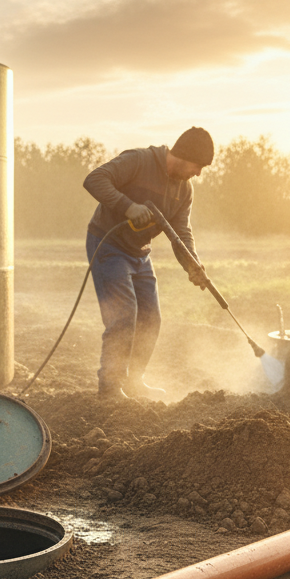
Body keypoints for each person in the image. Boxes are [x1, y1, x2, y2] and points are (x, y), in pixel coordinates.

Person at [83, 126, 215, 399]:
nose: (199, 173)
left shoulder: (184, 190)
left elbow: (181, 231)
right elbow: (95, 179)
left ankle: (134, 381)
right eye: (198, 166)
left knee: (151, 318)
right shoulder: (139, 161)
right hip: (109, 245)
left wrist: (192, 263)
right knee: (123, 315)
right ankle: (110, 388)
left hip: (140, 253)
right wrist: (128, 206)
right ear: (185, 155)